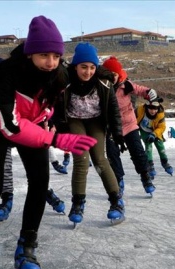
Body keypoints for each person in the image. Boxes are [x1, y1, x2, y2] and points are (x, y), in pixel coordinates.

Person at [0, 16, 97, 269]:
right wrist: (55, 139)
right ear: (30, 53)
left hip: (35, 124)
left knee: (41, 181)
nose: (51, 62)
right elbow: (12, 126)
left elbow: (68, 94)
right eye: (44, 55)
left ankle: (27, 244)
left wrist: (54, 123)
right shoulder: (7, 75)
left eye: (56, 55)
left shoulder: (60, 74)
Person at [52, 42, 126, 226]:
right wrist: (59, 128)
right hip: (74, 120)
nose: (88, 72)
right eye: (83, 67)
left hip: (96, 121)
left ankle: (116, 202)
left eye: (92, 67)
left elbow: (113, 109)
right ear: (75, 66)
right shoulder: (66, 81)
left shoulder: (104, 82)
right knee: (81, 159)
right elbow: (56, 104)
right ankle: (78, 204)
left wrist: (118, 133)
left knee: (100, 159)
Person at [101, 56, 156, 192]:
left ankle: (145, 176)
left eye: (113, 75)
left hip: (129, 125)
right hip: (112, 129)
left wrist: (148, 92)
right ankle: (118, 180)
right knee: (112, 155)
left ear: (119, 75)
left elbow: (139, 89)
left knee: (138, 151)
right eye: (108, 75)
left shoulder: (126, 85)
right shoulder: (101, 88)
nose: (111, 78)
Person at [136, 97, 174, 177]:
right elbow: (132, 119)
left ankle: (165, 162)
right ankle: (150, 164)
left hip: (156, 130)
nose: (153, 111)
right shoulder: (140, 110)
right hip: (144, 130)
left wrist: (154, 134)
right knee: (148, 146)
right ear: (146, 107)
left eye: (155, 109)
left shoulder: (160, 114)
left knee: (160, 145)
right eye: (151, 109)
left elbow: (162, 127)